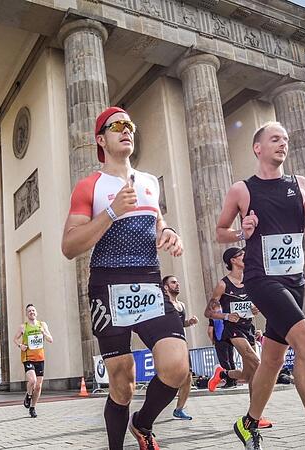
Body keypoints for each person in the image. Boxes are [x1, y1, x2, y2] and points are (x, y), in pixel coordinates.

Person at [61, 106, 187, 450]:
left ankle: (142, 423)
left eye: (129, 124)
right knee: (122, 381)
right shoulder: (90, 186)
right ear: (101, 139)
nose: (125, 129)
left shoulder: (148, 182)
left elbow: (158, 222)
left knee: (177, 365)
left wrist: (170, 232)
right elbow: (69, 246)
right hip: (107, 284)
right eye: (115, 126)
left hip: (148, 281)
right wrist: (111, 212)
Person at [214, 122, 305, 450]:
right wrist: (242, 231)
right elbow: (219, 232)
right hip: (262, 279)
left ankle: (248, 423)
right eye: (274, 139)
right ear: (258, 148)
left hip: (294, 280)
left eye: (285, 139)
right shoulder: (242, 190)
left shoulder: (300, 184)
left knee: (272, 360)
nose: (282, 144)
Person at [205, 247, 273, 429]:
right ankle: (255, 416)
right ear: (233, 260)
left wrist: (255, 309)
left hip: (248, 327)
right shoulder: (223, 284)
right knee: (256, 362)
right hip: (232, 328)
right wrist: (226, 316)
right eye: (242, 255)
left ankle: (223, 374)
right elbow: (208, 312)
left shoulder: (251, 281)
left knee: (250, 374)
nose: (246, 257)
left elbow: (253, 306)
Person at [161, 275, 198, 421]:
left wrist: (190, 322)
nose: (177, 284)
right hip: (167, 344)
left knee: (188, 376)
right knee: (169, 378)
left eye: (177, 282)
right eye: (173, 282)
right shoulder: (163, 304)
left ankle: (179, 409)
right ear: (166, 287)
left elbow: (181, 323)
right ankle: (155, 405)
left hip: (182, 343)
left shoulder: (181, 305)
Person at [13, 303, 53, 418]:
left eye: (33, 311)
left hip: (40, 358)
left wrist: (44, 333)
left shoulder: (42, 325)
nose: (32, 312)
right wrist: (20, 345)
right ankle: (29, 395)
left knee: (39, 386)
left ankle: (33, 407)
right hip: (28, 357)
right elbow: (15, 339)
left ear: (36, 313)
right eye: (29, 311)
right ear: (26, 314)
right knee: (32, 381)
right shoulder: (23, 327)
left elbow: (51, 339)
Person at [208, 318, 237, 388]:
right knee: (231, 360)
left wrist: (212, 340)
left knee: (224, 361)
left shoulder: (213, 316)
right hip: (229, 338)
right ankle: (234, 380)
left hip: (220, 339)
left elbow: (209, 331)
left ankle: (229, 381)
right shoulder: (226, 313)